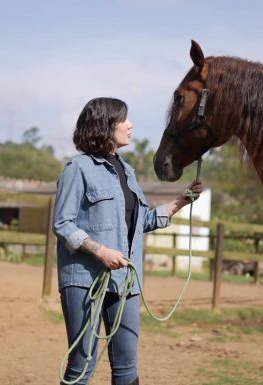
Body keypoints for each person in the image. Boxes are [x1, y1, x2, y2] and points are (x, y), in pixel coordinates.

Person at [53, 97, 203, 385]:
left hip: (126, 283)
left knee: (126, 368)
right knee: (82, 364)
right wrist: (99, 251)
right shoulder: (78, 169)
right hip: (84, 280)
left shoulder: (127, 171)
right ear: (106, 125)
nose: (131, 125)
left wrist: (180, 202)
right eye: (124, 120)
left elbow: (140, 221)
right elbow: (62, 223)